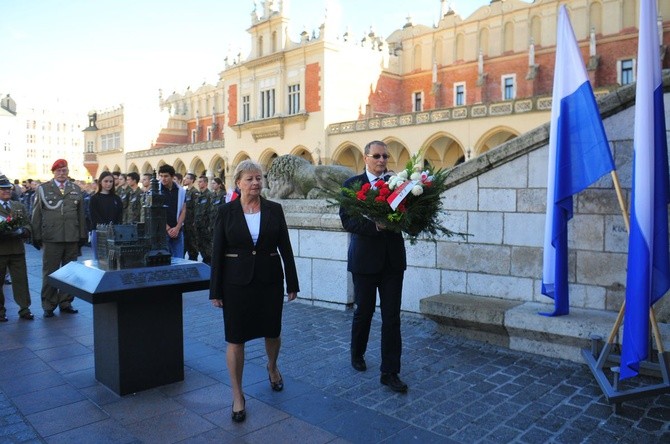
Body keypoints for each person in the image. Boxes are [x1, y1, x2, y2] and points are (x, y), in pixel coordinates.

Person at [209, 160, 299, 423]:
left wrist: (292, 283)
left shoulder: (274, 209)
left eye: (258, 178)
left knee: (272, 331)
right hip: (235, 284)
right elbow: (216, 252)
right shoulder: (226, 212)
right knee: (235, 338)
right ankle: (238, 395)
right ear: (238, 182)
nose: (255, 183)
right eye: (249, 179)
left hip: (269, 281)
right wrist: (215, 290)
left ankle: (272, 367)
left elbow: (285, 246)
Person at [339, 140, 408, 393]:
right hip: (365, 261)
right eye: (377, 156)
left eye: (385, 157)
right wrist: (375, 227)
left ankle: (390, 372)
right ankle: (357, 353)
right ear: (365, 157)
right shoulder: (352, 185)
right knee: (363, 312)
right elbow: (347, 220)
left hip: (392, 262)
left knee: (392, 318)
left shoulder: (399, 185)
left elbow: (409, 217)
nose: (382, 161)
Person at [32, 159, 87, 318]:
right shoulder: (43, 189)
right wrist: (36, 236)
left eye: (64, 171)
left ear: (68, 172)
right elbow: (37, 214)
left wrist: (82, 236)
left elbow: (81, 215)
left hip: (71, 237)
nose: (62, 174)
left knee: (70, 272)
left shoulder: (75, 189)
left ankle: (66, 302)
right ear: (54, 172)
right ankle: (48, 305)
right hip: (51, 238)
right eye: (59, 171)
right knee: (50, 271)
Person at [0, 175, 34, 322]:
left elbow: (27, 224)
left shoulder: (18, 206)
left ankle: (24, 308)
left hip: (17, 249)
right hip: (1, 250)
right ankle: (0, 311)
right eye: (2, 189)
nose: (6, 191)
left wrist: (23, 231)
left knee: (21, 280)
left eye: (8, 188)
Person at [89, 171, 123, 259]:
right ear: (100, 182)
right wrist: (106, 229)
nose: (109, 184)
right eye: (106, 181)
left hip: (115, 233)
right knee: (100, 260)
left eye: (111, 181)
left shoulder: (116, 199)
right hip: (99, 232)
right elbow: (94, 216)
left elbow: (119, 216)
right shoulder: (94, 198)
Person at [158, 164, 186, 258]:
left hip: (177, 231)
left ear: (172, 176)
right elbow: (156, 213)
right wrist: (168, 228)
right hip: (162, 232)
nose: (163, 179)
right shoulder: (156, 190)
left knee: (179, 260)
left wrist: (177, 228)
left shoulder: (180, 190)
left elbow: (183, 210)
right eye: (161, 176)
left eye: (166, 176)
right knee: (164, 261)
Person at [194, 175, 212, 264]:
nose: (198, 183)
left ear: (205, 183)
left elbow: (211, 212)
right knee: (200, 246)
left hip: (206, 227)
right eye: (198, 181)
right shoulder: (198, 196)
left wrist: (209, 226)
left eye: (200, 181)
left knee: (208, 248)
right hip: (198, 226)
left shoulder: (209, 195)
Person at [182, 173, 198, 260]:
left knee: (192, 244)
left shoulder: (194, 192)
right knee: (185, 243)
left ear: (192, 180)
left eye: (187, 178)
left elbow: (196, 208)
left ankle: (193, 260)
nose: (185, 179)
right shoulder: (186, 192)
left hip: (191, 222)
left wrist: (194, 222)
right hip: (185, 221)